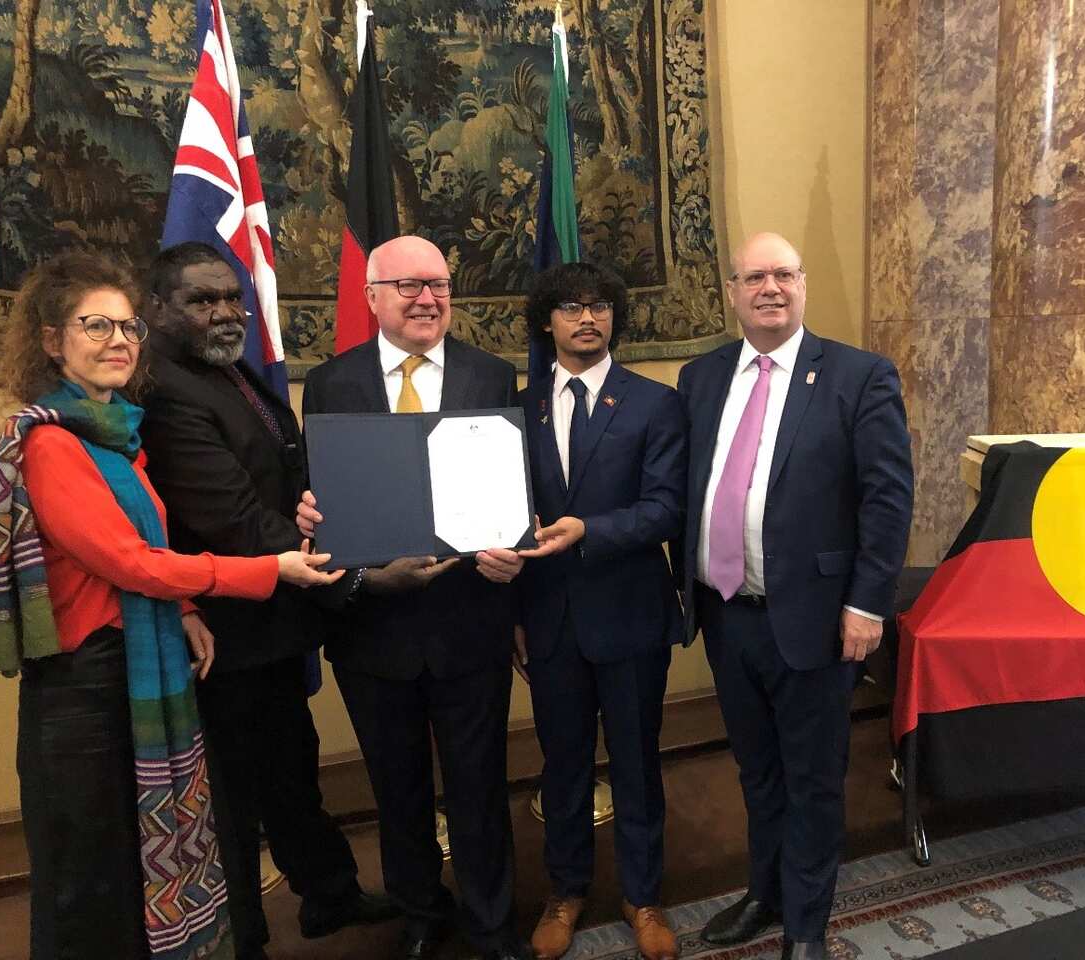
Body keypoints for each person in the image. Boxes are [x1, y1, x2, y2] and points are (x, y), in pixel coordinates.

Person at [0, 251, 345, 960]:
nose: (119, 340)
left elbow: (130, 546)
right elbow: (128, 562)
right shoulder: (54, 444)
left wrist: (180, 613)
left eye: (125, 328)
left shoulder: (114, 437)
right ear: (53, 340)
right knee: (92, 877)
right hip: (82, 692)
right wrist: (264, 568)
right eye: (96, 326)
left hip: (133, 666)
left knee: (143, 860)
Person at [138, 242, 397, 960]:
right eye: (202, 300)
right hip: (225, 633)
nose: (224, 311)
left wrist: (325, 513)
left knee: (291, 766)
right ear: (157, 308)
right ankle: (243, 938)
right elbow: (236, 519)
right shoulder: (165, 391)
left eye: (231, 297)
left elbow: (282, 468)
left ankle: (328, 894)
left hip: (274, 626)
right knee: (234, 800)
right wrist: (352, 573)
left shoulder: (226, 368)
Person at [674, 233, 913, 960]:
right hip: (727, 614)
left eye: (783, 274)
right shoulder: (701, 377)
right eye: (754, 277)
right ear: (732, 292)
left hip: (818, 619)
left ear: (803, 284)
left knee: (812, 780)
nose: (769, 288)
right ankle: (764, 893)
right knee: (757, 772)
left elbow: (887, 498)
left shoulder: (858, 375)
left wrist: (868, 605)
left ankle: (806, 926)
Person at [297, 235, 529, 960]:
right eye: (408, 286)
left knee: (479, 786)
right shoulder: (331, 384)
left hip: (471, 620)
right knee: (396, 791)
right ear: (371, 298)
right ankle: (422, 915)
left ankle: (492, 924)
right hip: (375, 628)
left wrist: (514, 555)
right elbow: (317, 493)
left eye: (439, 284)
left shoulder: (491, 376)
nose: (427, 299)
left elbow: (514, 488)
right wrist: (309, 512)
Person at [512, 261, 687, 960]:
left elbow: (666, 508)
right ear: (546, 321)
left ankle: (643, 897)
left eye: (599, 307)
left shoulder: (654, 403)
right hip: (549, 617)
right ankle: (566, 892)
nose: (587, 319)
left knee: (638, 763)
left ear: (614, 316)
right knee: (562, 766)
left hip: (631, 612)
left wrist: (590, 530)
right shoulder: (518, 407)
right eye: (570, 308)